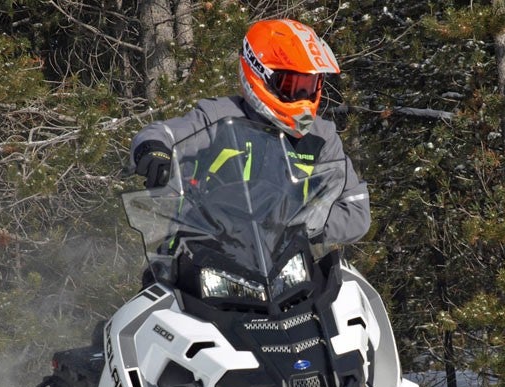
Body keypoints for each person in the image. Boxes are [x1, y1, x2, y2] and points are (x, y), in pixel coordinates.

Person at [129, 18, 370, 245]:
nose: (303, 97)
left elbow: (356, 210)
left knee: (346, 286)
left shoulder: (320, 137)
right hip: (204, 250)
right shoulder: (219, 117)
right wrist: (154, 150)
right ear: (259, 73)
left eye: (310, 86)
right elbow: (165, 132)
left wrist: (300, 224)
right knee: (159, 286)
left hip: (286, 261)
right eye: (292, 86)